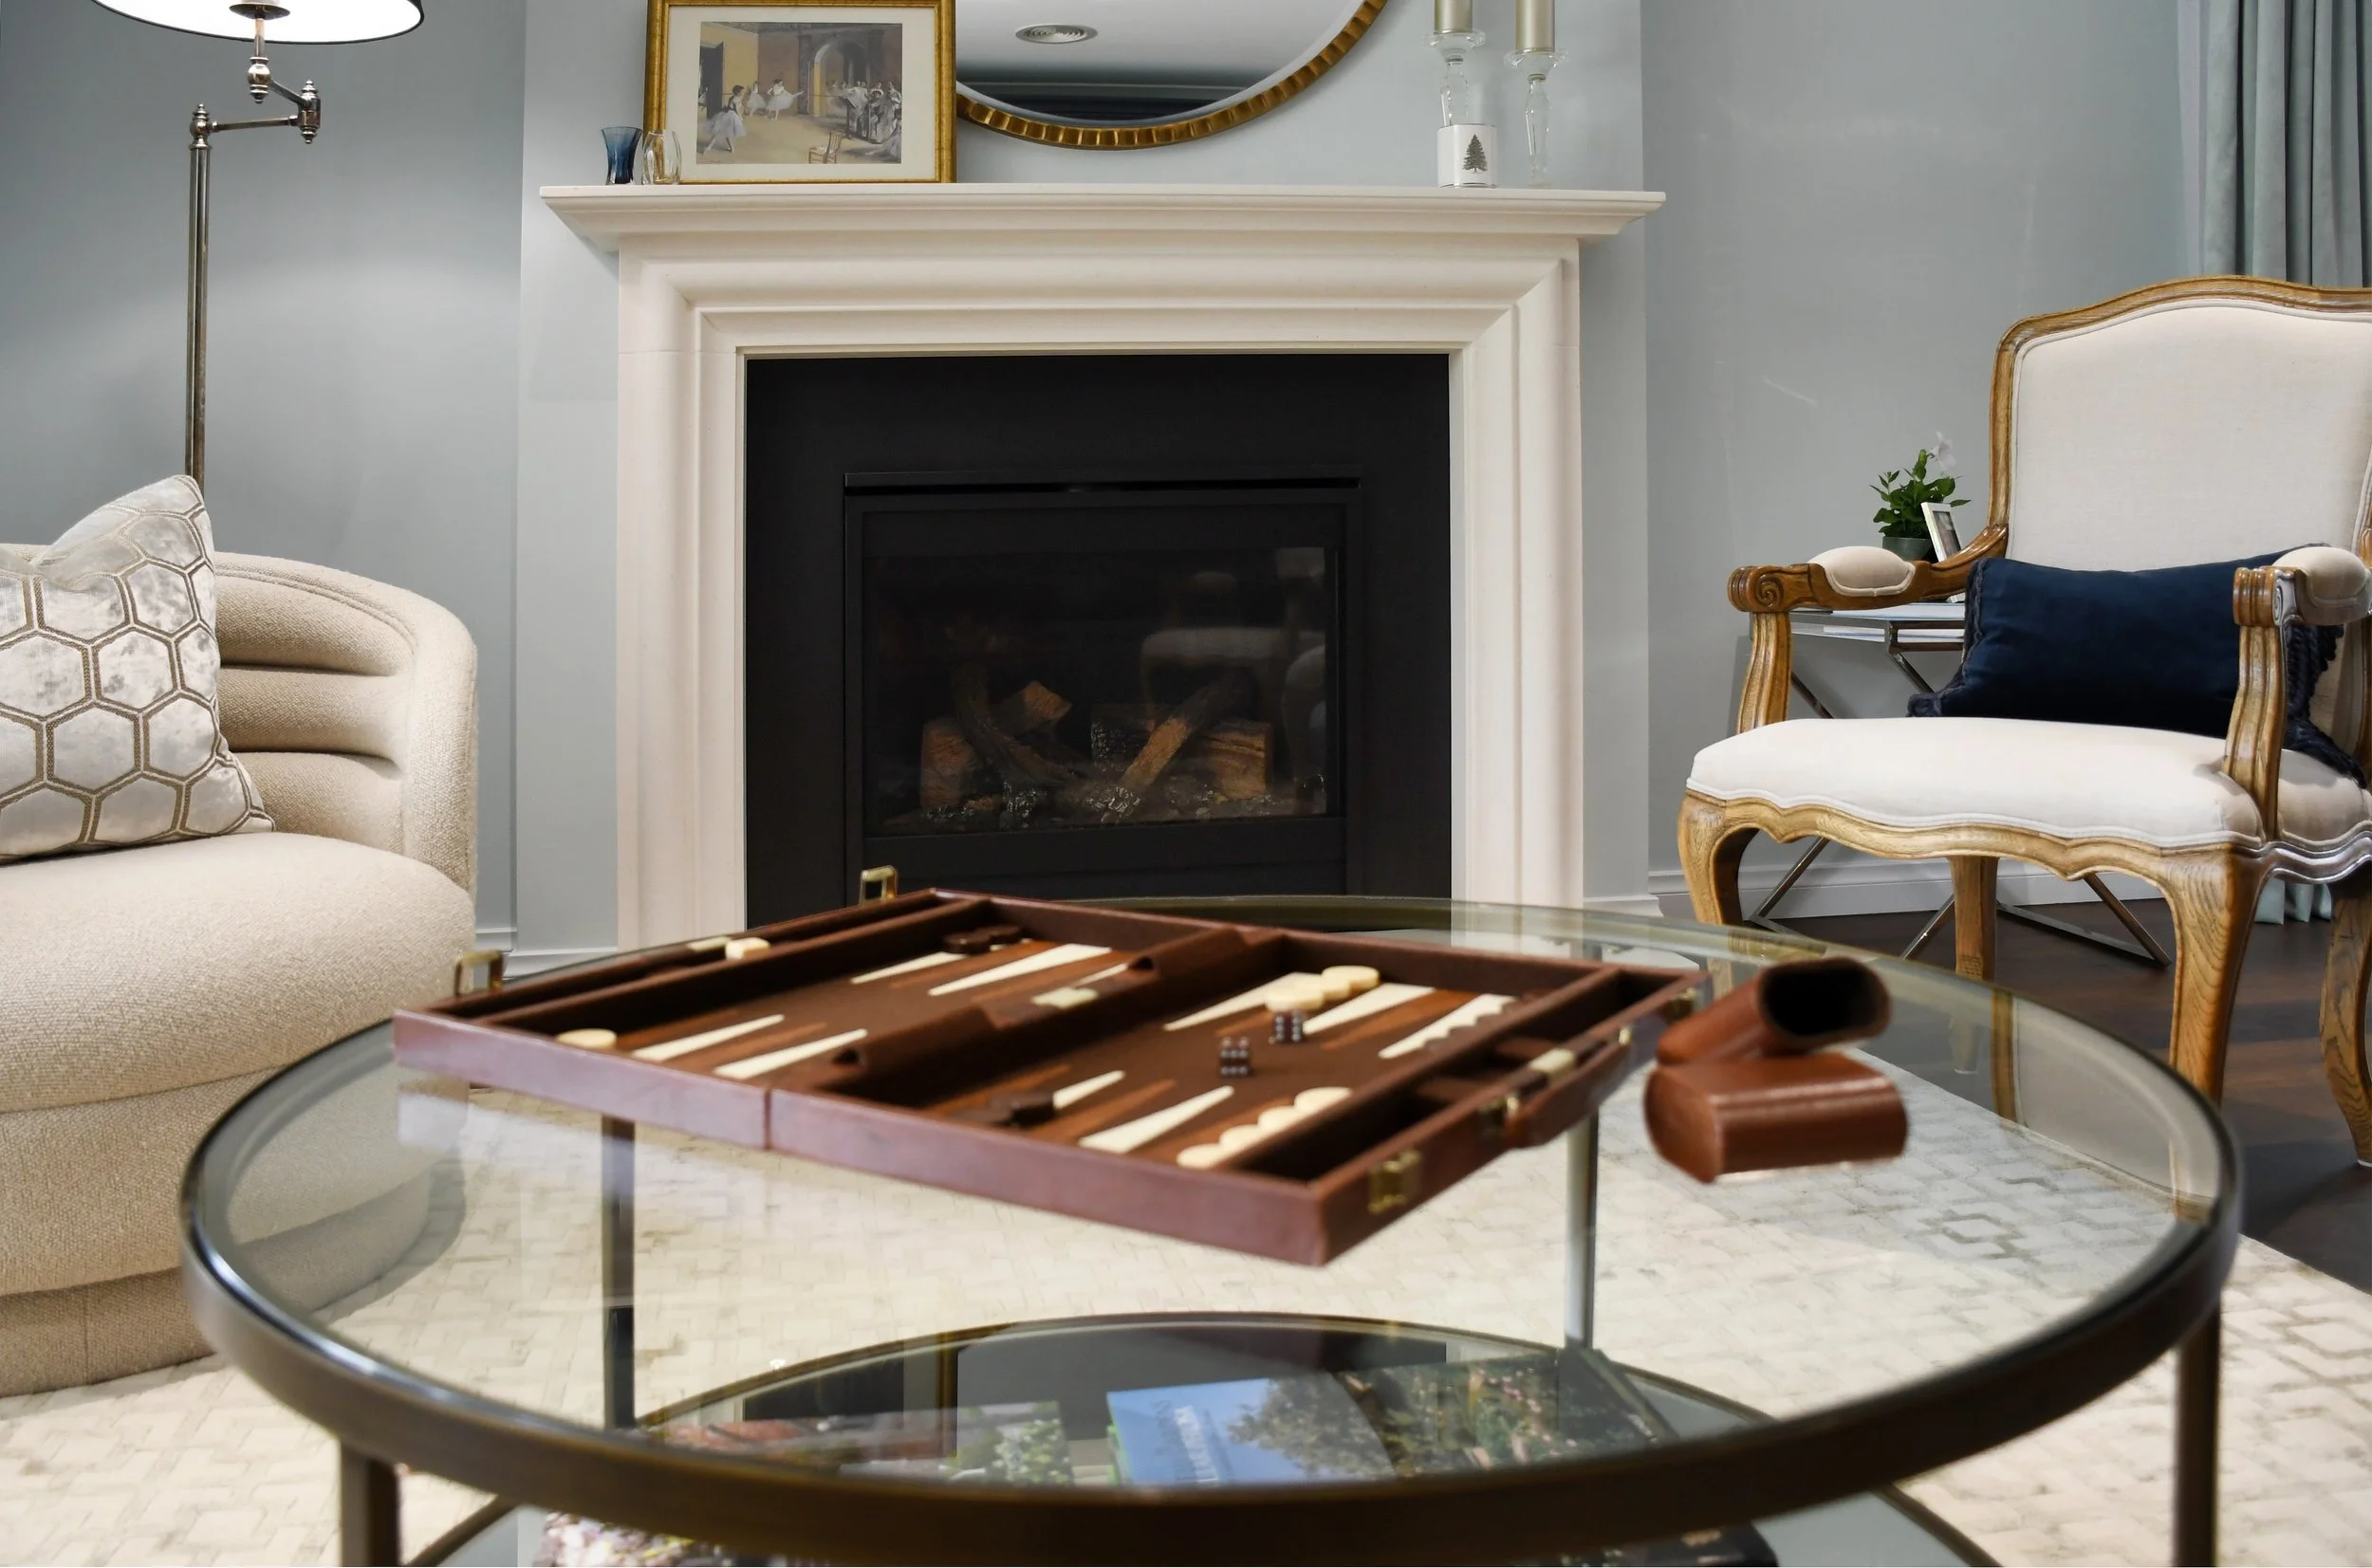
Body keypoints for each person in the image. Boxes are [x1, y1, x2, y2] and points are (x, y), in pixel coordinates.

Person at [706, 85, 746, 154]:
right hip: (730, 115)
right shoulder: (736, 99)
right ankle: (730, 148)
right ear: (738, 92)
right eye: (742, 92)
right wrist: (740, 118)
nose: (743, 93)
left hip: (726, 114)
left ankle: (710, 146)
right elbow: (736, 110)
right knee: (724, 132)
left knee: (723, 132)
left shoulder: (733, 98)